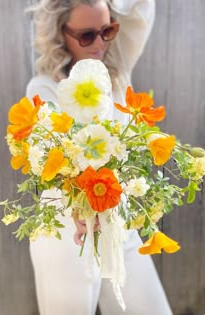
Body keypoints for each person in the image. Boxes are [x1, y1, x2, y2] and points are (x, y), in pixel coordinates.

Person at [26, 0, 173, 314]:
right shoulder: (43, 89)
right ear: (61, 34)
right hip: (66, 234)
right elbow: (51, 159)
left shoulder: (116, 72)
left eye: (107, 30)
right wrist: (82, 207)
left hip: (119, 228)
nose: (100, 43)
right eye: (86, 35)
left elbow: (143, 6)